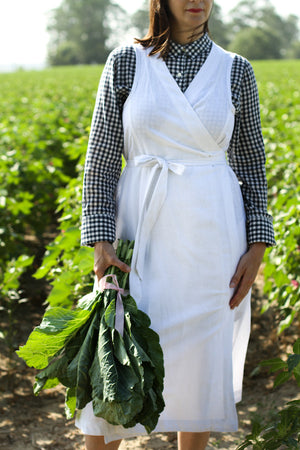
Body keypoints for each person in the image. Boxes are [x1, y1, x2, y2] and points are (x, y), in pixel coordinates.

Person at [75, 0, 276, 449]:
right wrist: (100, 240)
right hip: (139, 232)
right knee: (116, 355)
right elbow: (102, 158)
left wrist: (258, 244)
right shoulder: (127, 63)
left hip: (212, 236)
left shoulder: (236, 70)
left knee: (199, 361)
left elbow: (251, 164)